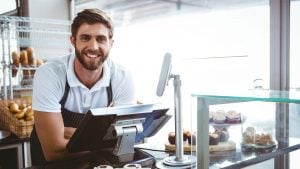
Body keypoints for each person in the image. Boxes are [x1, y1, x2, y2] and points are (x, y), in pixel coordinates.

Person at [30, 8, 137, 165]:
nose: (93, 46)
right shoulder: (50, 73)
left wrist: (65, 133)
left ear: (111, 43)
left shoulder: (122, 76)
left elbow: (125, 140)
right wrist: (104, 141)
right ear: (73, 41)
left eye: (101, 39)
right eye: (85, 38)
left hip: (98, 163)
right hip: (51, 164)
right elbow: (54, 150)